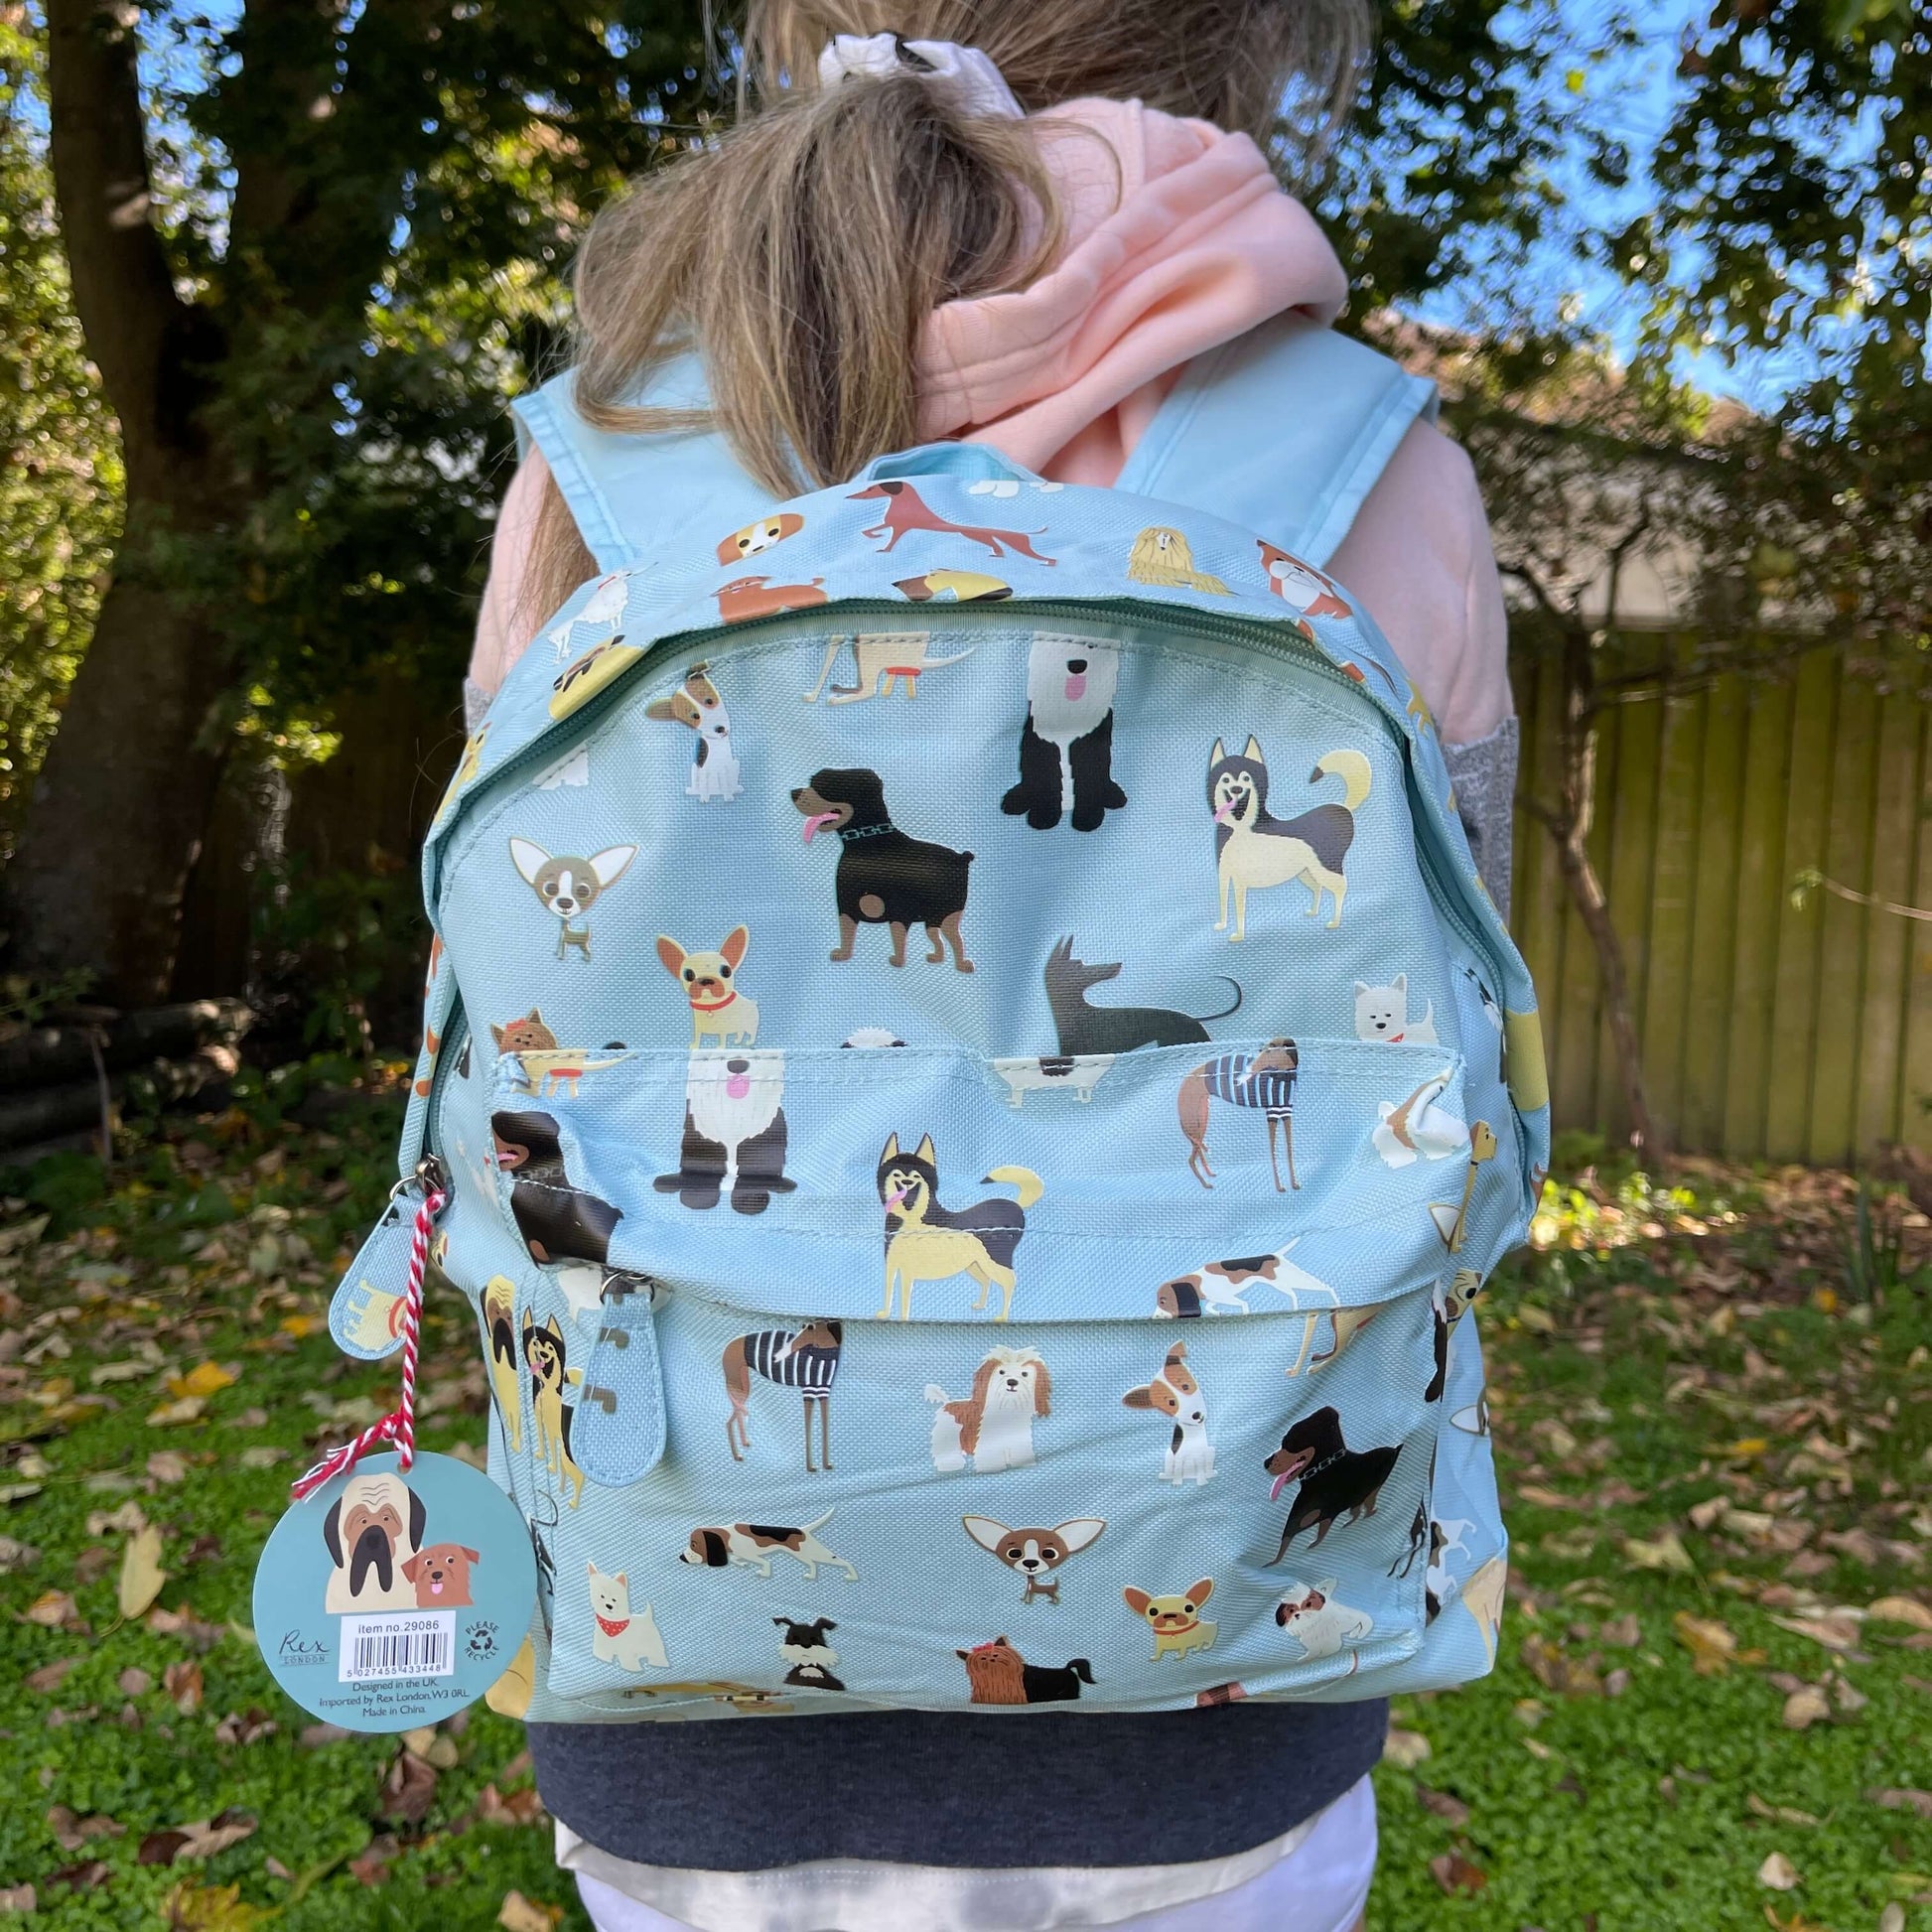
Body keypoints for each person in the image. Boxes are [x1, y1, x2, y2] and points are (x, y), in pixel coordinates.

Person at [465, 6, 1517, 1928]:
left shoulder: (595, 479)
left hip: (663, 1676)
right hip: (1222, 1690)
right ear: (1262, 43)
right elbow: (1455, 1080)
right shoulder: (1370, 469)